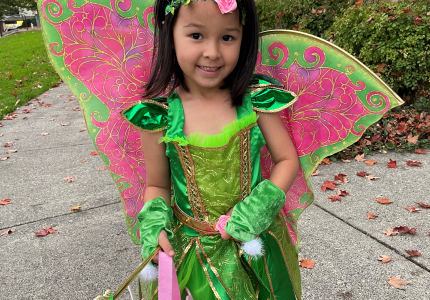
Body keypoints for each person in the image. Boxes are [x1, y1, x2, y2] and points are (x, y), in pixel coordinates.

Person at [120, 0, 302, 299]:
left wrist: (252, 213)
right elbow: (157, 184)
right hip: (191, 253)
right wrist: (154, 225)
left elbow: (286, 160)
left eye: (228, 37)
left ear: (244, 39)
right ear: (170, 35)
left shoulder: (257, 101)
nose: (213, 52)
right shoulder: (158, 117)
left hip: (254, 243)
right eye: (196, 36)